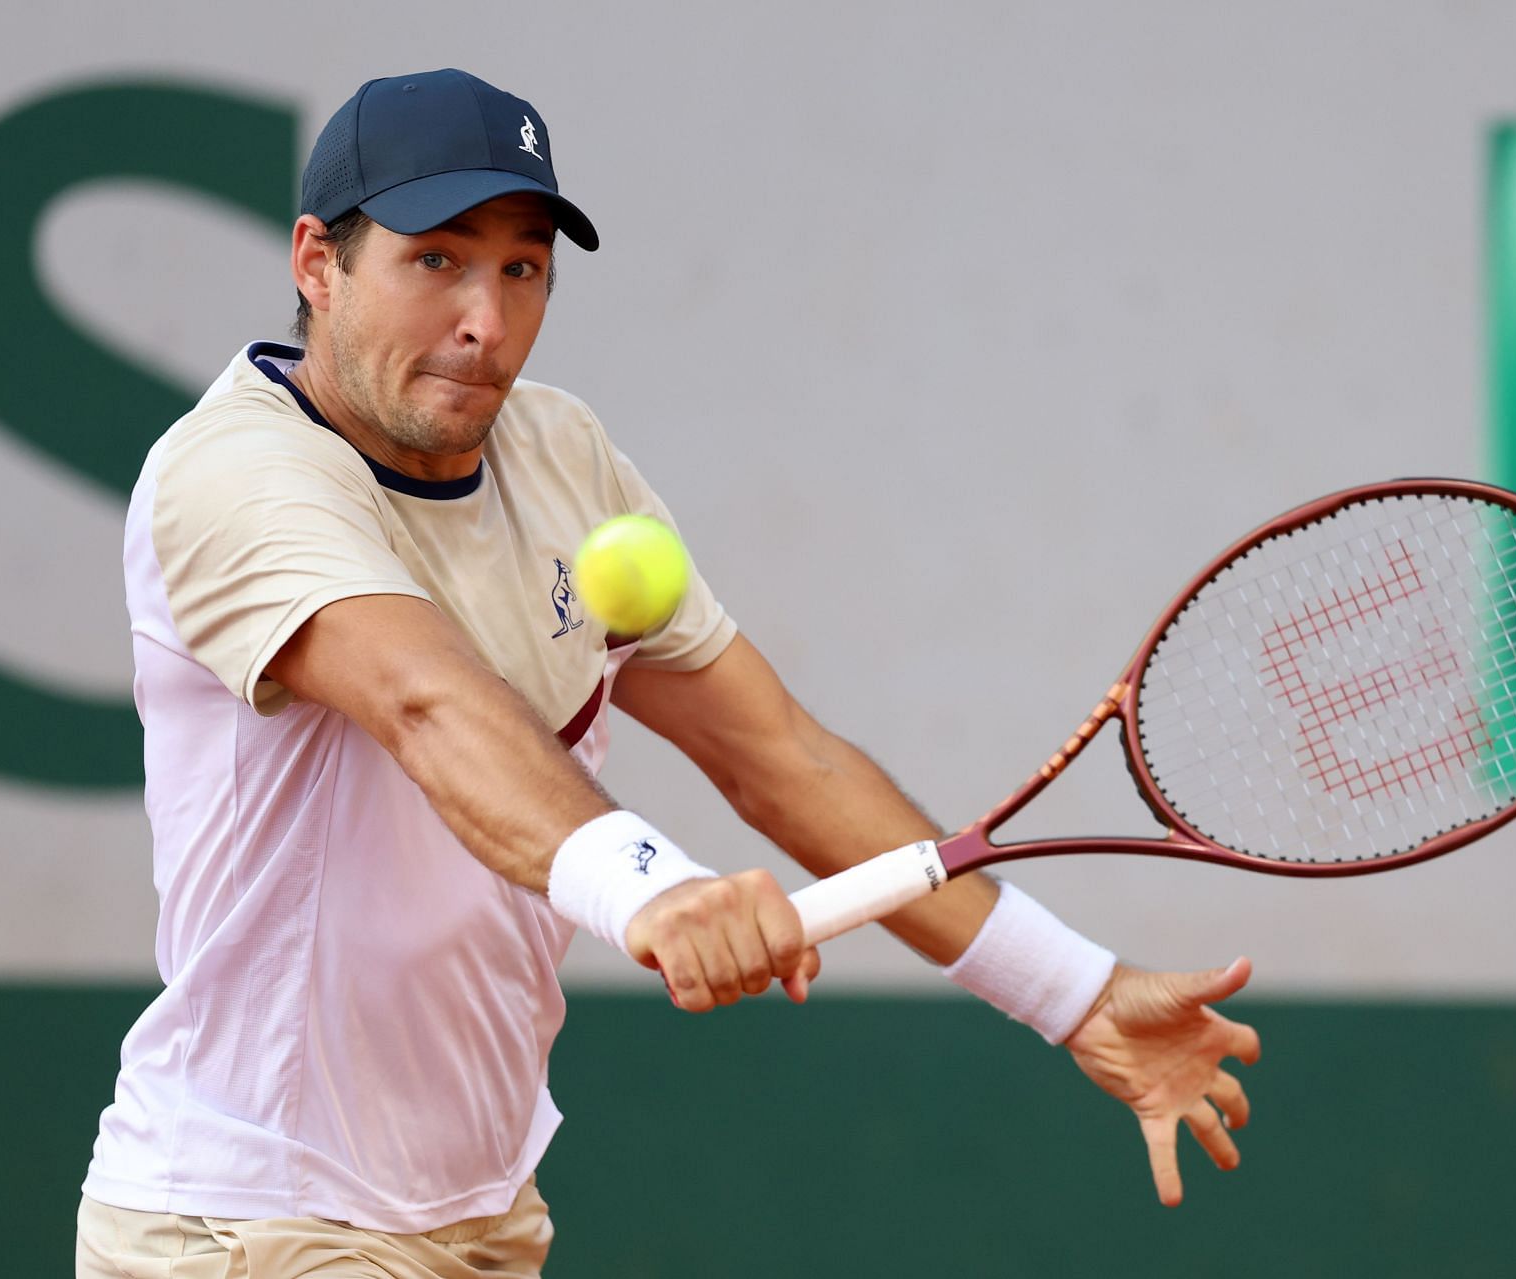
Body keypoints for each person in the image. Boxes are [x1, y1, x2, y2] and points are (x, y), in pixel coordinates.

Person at [75, 67, 1261, 1278]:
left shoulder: (562, 454)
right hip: (247, 1222)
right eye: (436, 259)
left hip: (479, 1215)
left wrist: (1073, 992)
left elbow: (776, 754)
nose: (485, 319)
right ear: (318, 263)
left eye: (523, 267)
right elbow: (425, 700)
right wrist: (658, 888)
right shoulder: (233, 472)